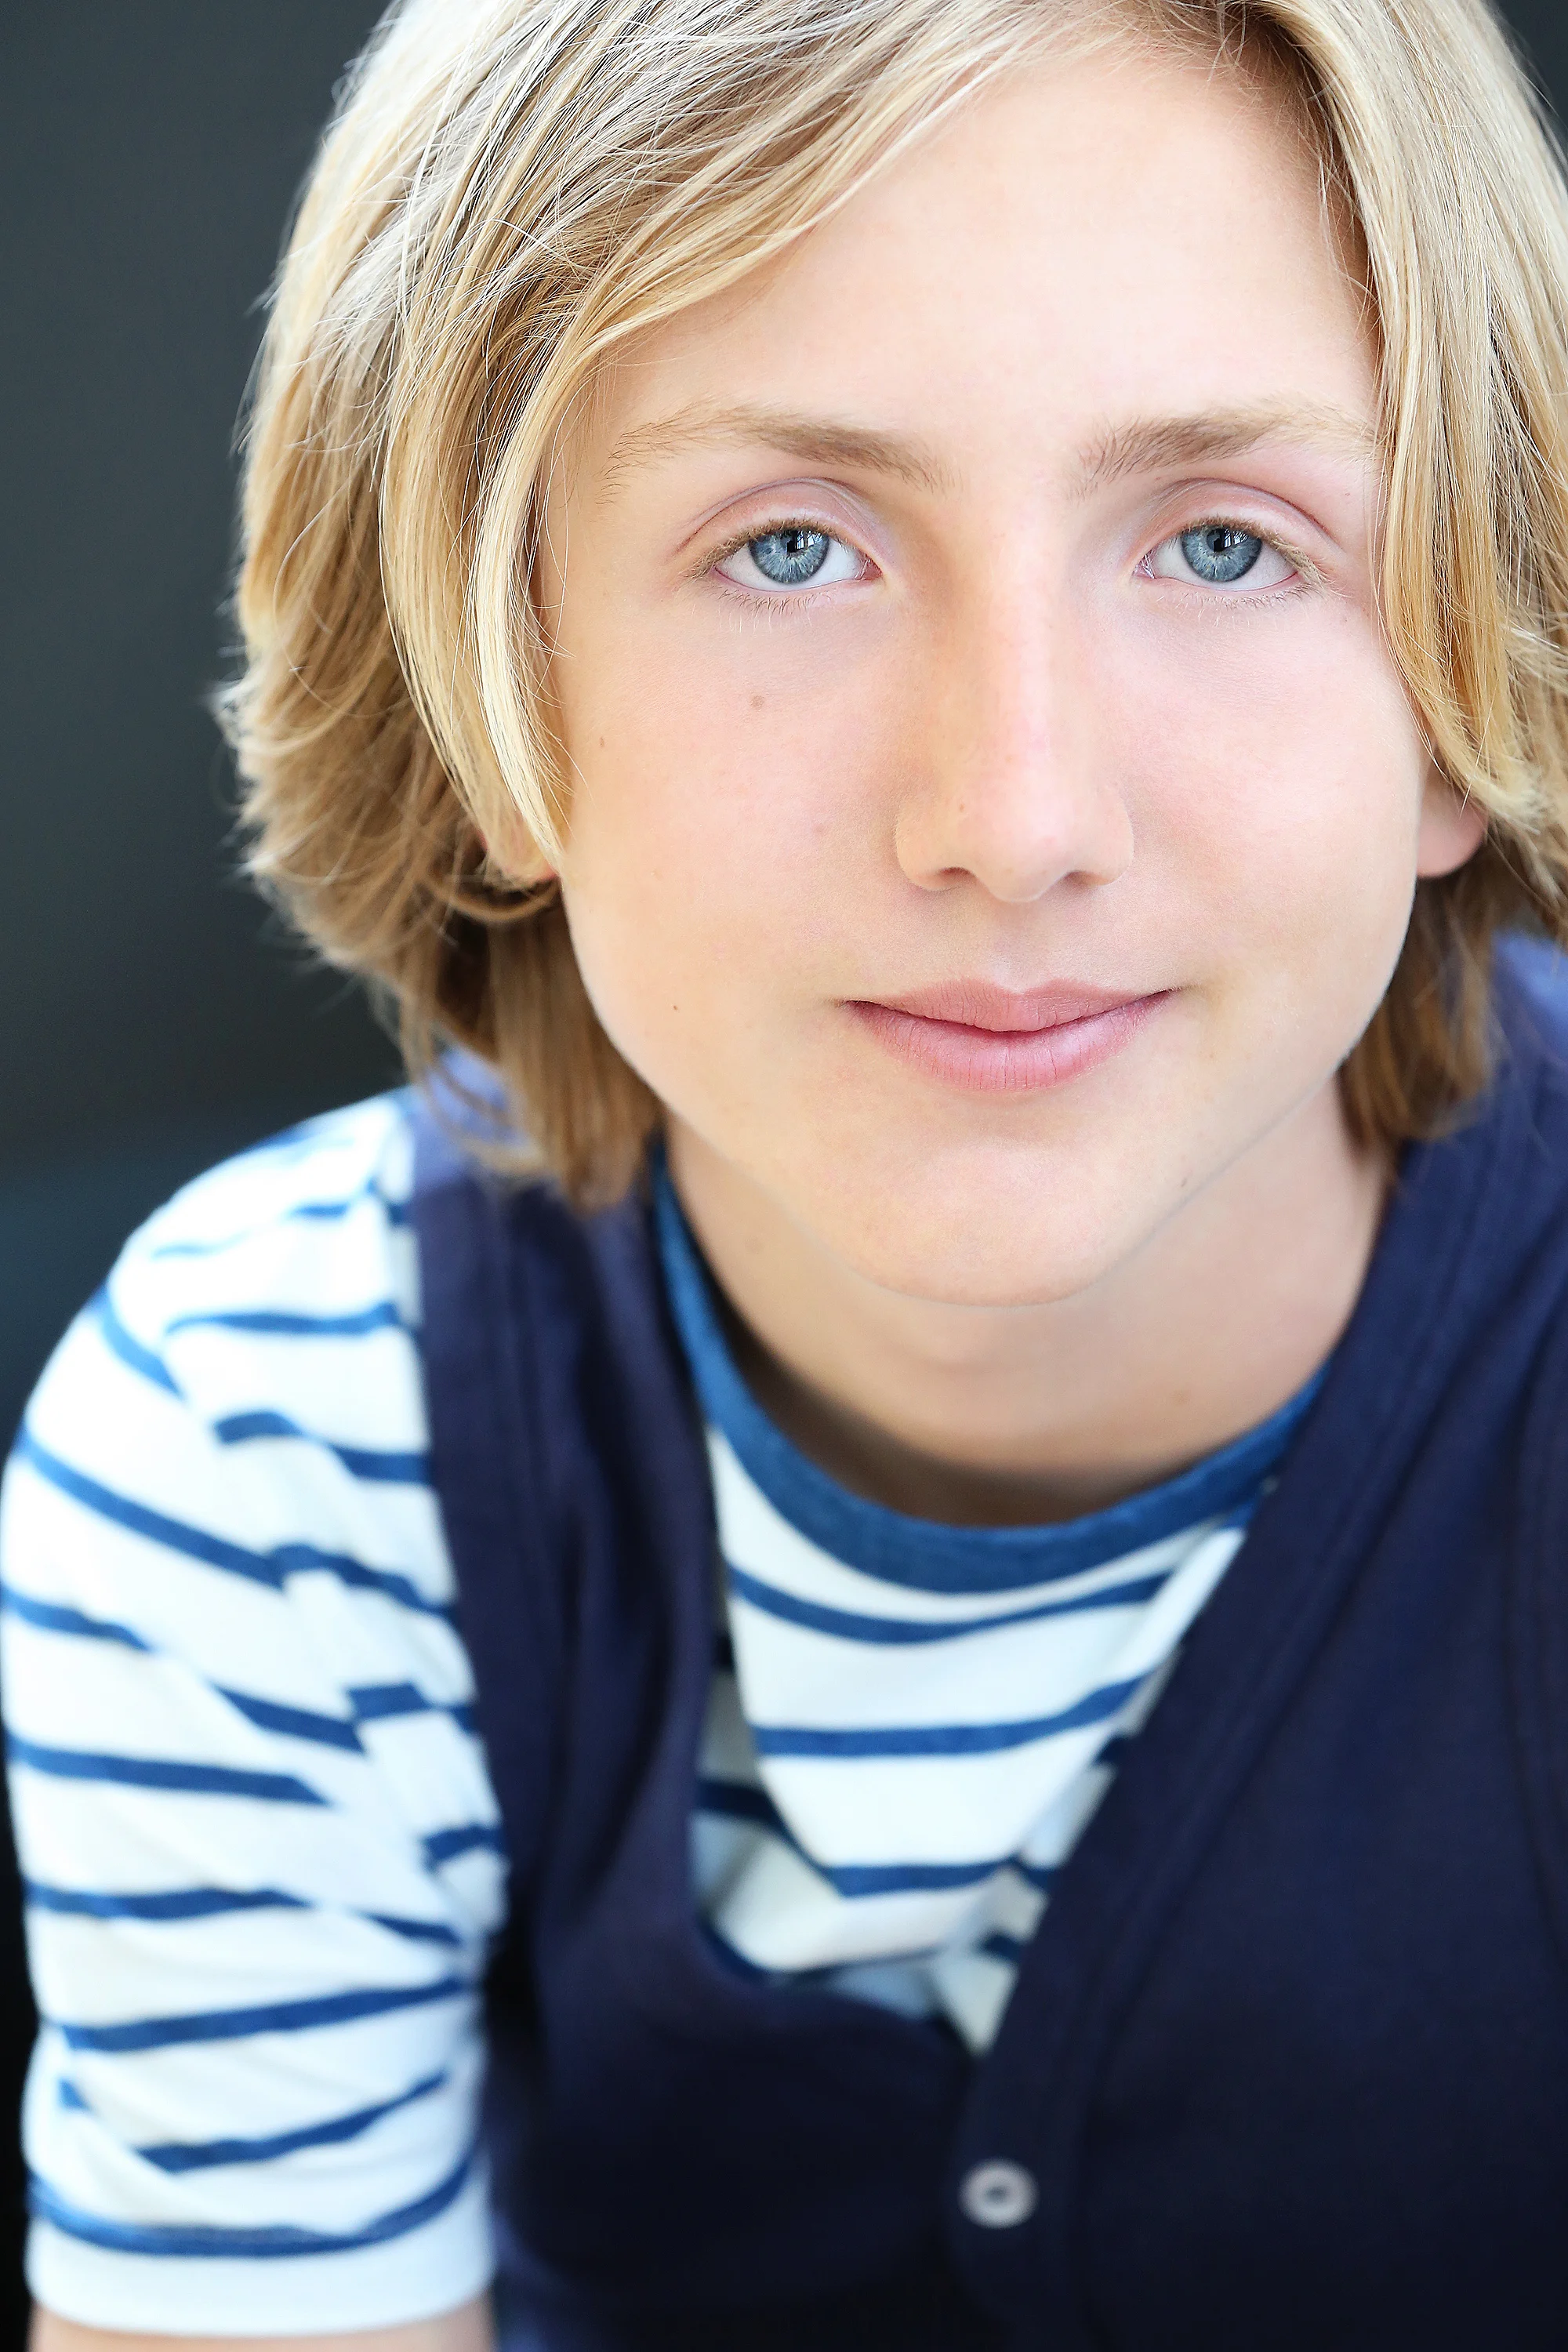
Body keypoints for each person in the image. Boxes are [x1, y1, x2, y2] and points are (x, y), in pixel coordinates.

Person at [9, 0, 1568, 2343]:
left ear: (1467, 678)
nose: (1017, 816)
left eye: (1228, 543)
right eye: (797, 546)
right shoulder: (271, 1443)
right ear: (487, 697)